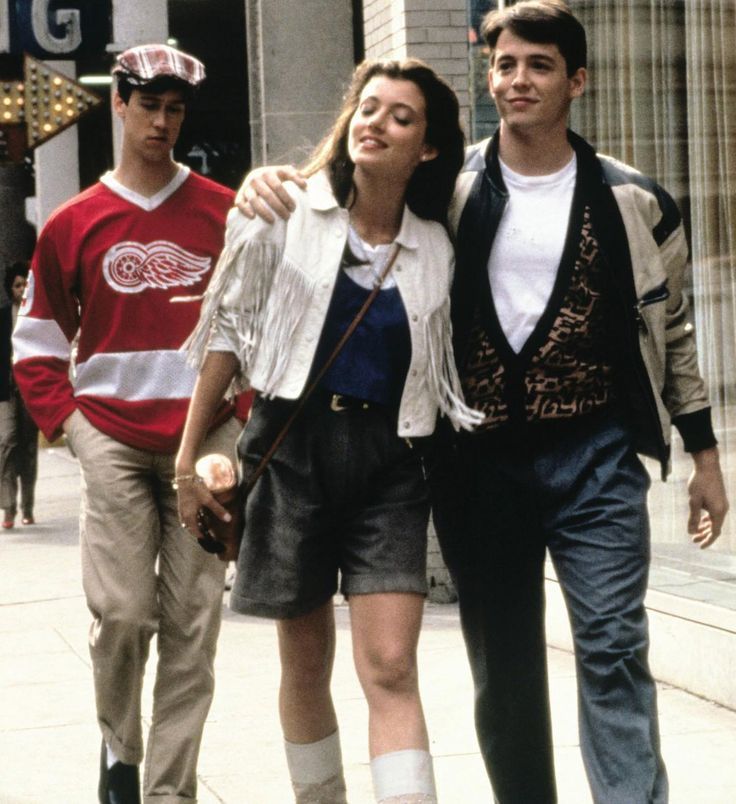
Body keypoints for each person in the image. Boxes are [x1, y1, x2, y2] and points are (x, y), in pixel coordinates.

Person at [235, 3, 730, 802]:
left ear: (577, 81)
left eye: (539, 65)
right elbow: (354, 198)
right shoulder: (449, 194)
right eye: (505, 64)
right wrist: (273, 180)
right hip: (482, 465)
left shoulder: (636, 201)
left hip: (596, 456)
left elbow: (671, 335)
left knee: (612, 645)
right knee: (503, 665)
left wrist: (705, 457)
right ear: (489, 76)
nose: (518, 79)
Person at [176, 57, 480, 804]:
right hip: (291, 453)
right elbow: (227, 336)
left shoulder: (437, 249)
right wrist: (189, 459)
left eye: (400, 117)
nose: (376, 123)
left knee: (390, 666)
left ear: (429, 148)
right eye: (368, 108)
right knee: (305, 663)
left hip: (391, 466)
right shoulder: (282, 213)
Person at [12, 44, 242, 804]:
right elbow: (38, 343)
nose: (162, 123)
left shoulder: (222, 212)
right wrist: (70, 426)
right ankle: (120, 747)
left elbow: (259, 327)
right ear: (119, 104)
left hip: (203, 438)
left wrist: (237, 423)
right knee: (123, 613)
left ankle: (168, 791)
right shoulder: (73, 223)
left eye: (175, 110)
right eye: (149, 107)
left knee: (192, 621)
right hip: (109, 433)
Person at [0, 262, 39, 528]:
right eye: (17, 285)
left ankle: (27, 506)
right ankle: (8, 507)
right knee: (7, 442)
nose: (22, 289)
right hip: (6, 391)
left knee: (28, 448)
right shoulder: (3, 316)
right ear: (9, 289)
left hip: (31, 390)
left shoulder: (38, 317)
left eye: (25, 284)